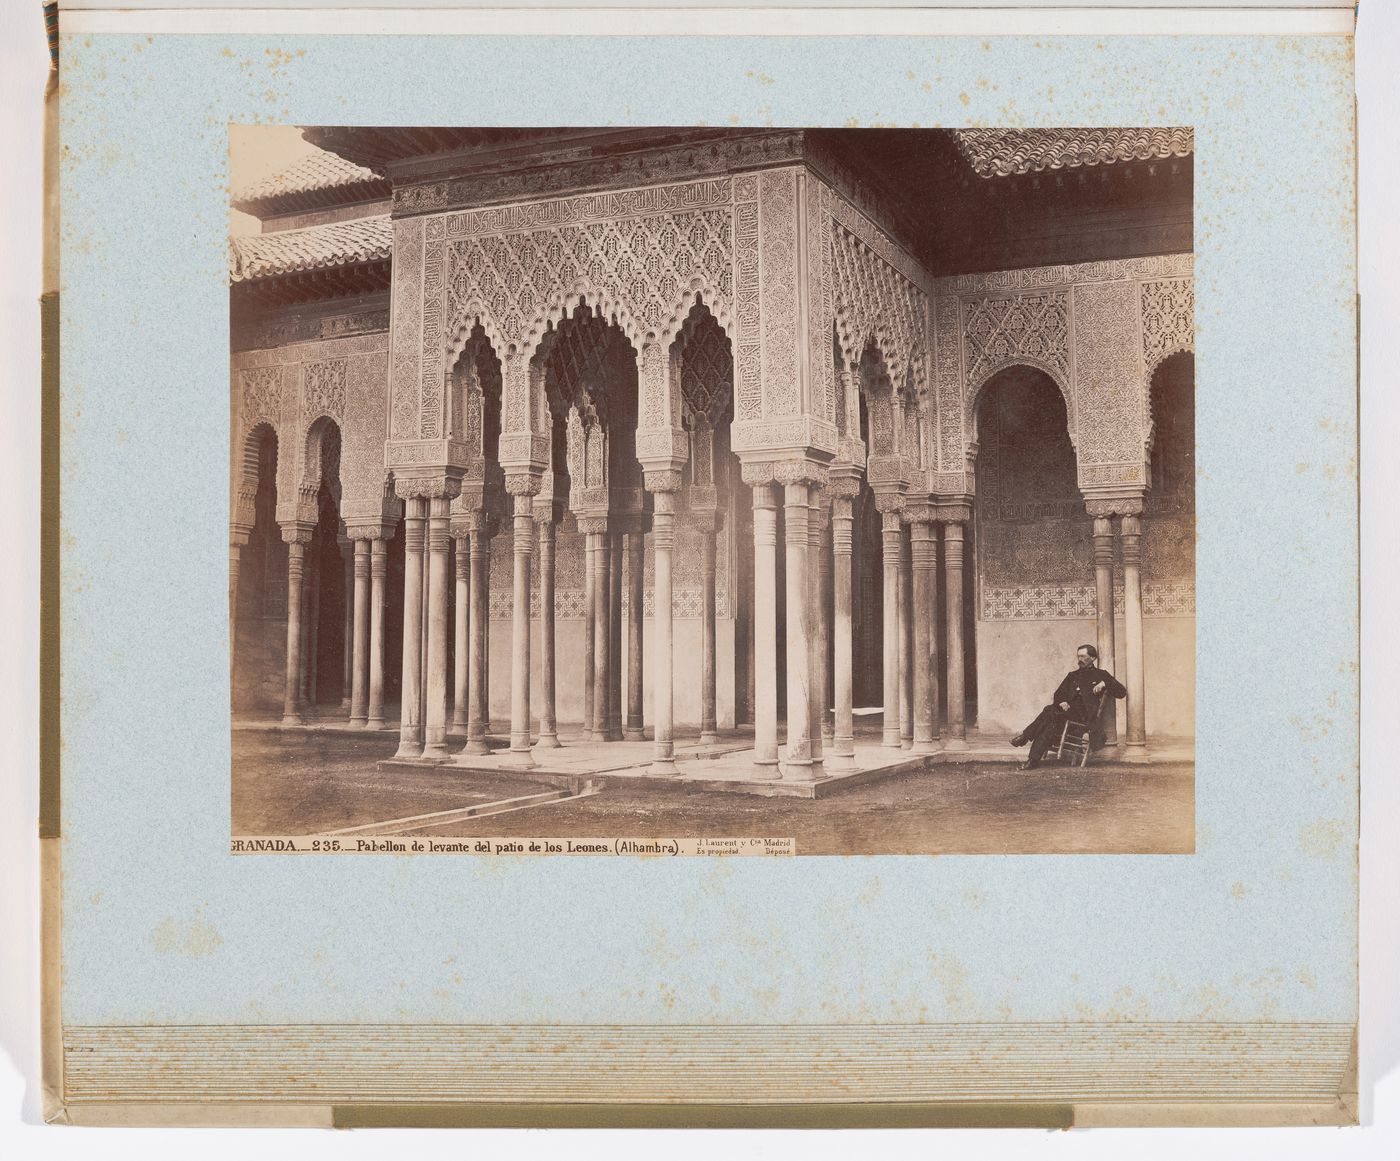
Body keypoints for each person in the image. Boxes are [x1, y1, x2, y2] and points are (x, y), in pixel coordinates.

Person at [1010, 644, 1126, 769]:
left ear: (1093, 658)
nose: (1079, 659)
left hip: (1084, 717)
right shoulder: (1073, 675)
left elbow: (1121, 692)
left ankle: (1025, 737)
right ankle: (1032, 761)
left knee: (1048, 710)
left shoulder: (1101, 675)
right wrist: (1062, 702)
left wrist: (1105, 682)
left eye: (1083, 656)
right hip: (1067, 713)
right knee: (1048, 725)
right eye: (1078, 656)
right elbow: (1059, 693)